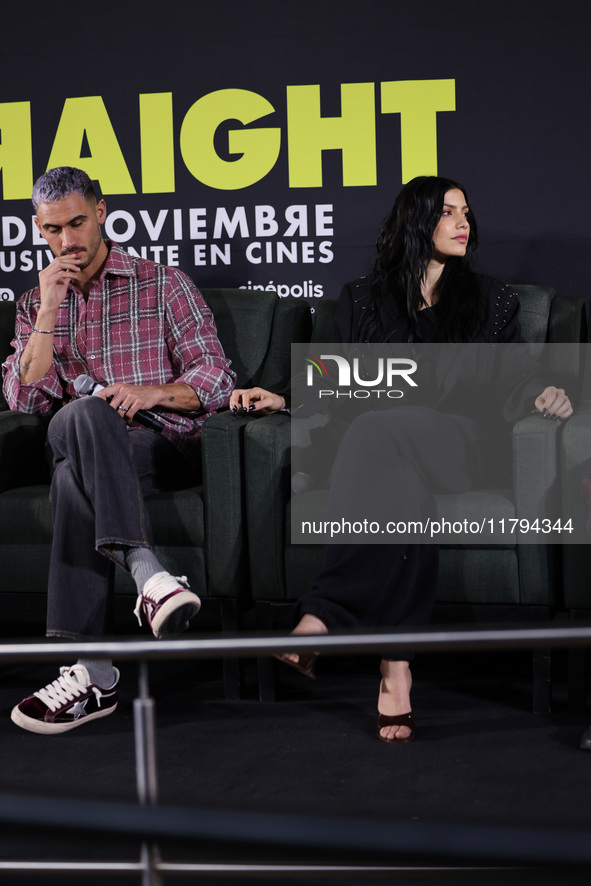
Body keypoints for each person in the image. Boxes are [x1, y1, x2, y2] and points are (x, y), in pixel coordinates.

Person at [230, 175, 573, 744]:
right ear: (418, 222)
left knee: (374, 430)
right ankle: (395, 669)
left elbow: (516, 374)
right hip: (384, 451)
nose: (464, 223)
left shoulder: (493, 299)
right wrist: (285, 397)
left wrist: (541, 394)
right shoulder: (363, 298)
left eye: (467, 211)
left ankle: (324, 614)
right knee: (399, 488)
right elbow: (335, 376)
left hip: (461, 445)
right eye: (448, 213)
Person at [2, 167, 235, 734]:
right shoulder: (38, 303)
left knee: (69, 479)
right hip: (77, 439)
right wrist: (51, 312)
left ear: (102, 213)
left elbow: (217, 378)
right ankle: (150, 576)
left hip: (156, 446)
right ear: (39, 228)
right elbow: (23, 395)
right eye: (53, 230)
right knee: (80, 416)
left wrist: (150, 391)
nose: (67, 242)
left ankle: (93, 674)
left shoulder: (162, 283)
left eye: (78, 224)